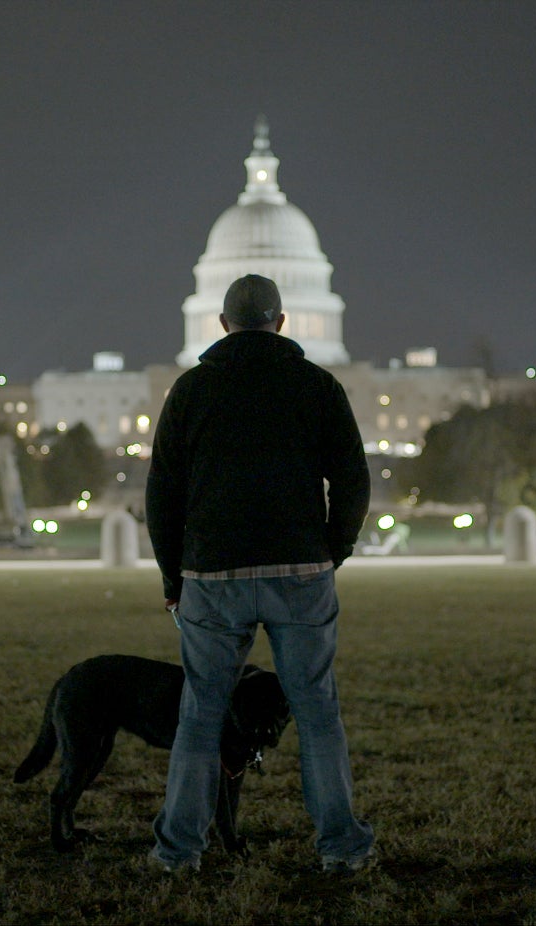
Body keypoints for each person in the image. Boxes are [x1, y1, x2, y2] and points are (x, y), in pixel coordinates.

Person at [146, 273, 377, 874]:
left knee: (199, 716)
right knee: (318, 712)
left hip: (211, 573)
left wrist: (174, 579)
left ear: (221, 324)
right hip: (300, 569)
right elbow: (353, 481)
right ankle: (342, 849)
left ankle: (178, 853)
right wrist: (333, 552)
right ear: (282, 322)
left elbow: (162, 497)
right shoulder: (316, 386)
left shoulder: (191, 390)